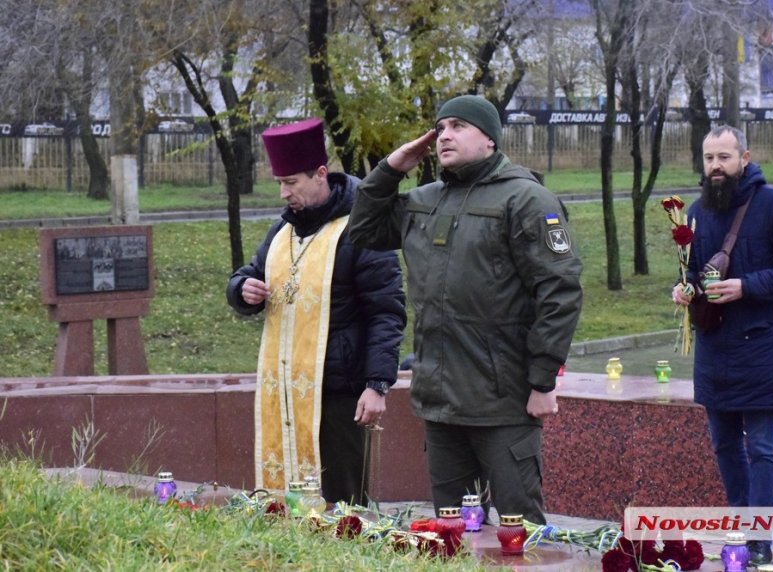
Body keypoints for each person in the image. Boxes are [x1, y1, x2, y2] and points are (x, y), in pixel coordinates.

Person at [348, 95, 584, 525]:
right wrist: (391, 168)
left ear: (490, 139)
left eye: (458, 126)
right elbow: (363, 230)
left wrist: (543, 379)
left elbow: (560, 292)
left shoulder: (527, 200)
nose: (444, 136)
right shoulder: (425, 199)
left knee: (520, 531)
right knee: (452, 532)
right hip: (440, 400)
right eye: (440, 128)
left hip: (505, 400)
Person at [225, 118, 406, 506]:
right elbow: (248, 275)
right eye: (279, 182)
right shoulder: (283, 231)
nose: (282, 192)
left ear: (320, 174)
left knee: (343, 509)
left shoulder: (362, 228)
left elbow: (386, 312)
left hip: (341, 393)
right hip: (286, 393)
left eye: (291, 182)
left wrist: (377, 383)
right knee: (285, 505)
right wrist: (243, 290)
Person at [671, 125, 773, 564]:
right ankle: (739, 523)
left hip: (761, 345)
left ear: (744, 158)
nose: (715, 166)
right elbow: (695, 273)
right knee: (724, 445)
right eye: (709, 158)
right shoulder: (696, 212)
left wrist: (745, 286)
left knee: (763, 447)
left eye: (724, 158)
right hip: (715, 348)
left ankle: (760, 539)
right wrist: (685, 290)